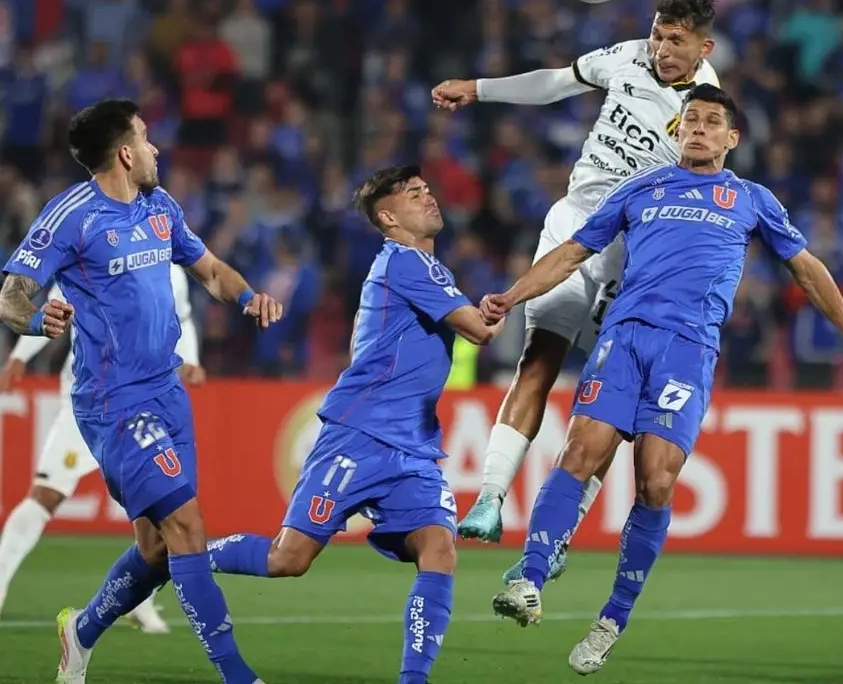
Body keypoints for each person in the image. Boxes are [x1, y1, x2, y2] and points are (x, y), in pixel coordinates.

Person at [481, 84, 843, 675]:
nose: (699, 127)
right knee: (580, 450)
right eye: (690, 119)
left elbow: (806, 268)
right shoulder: (641, 188)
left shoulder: (749, 199)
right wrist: (512, 296)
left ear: (732, 138)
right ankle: (529, 577)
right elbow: (572, 252)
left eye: (712, 121)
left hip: (688, 350)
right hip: (623, 338)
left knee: (654, 483)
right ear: (677, 131)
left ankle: (613, 617)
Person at [431, 0, 721, 582]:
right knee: (538, 357)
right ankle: (489, 497)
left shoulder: (705, 114)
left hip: (629, 254)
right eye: (659, 35)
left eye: (677, 41)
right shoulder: (626, 56)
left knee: (606, 400)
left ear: (703, 46)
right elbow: (556, 81)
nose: (663, 49)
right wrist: (478, 89)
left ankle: (558, 534)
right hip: (571, 225)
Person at [0, 99, 282, 684]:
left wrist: (249, 296)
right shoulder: (71, 216)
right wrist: (35, 322)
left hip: (167, 393)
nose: (156, 149)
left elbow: (209, 270)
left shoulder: (161, 207)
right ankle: (238, 675)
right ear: (125, 153)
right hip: (114, 400)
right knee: (187, 527)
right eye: (147, 139)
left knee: (157, 551)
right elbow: (11, 295)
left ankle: (79, 635)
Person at [204, 166, 505, 684]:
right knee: (288, 559)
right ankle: (182, 556)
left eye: (428, 189)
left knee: (438, 548)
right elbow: (479, 329)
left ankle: (414, 680)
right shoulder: (408, 263)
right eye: (414, 194)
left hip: (412, 444)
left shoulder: (423, 268)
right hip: (360, 434)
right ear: (388, 217)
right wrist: (536, 289)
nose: (429, 197)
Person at [0, 264, 204, 633]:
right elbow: (55, 308)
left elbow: (184, 317)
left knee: (156, 509)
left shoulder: (172, 271)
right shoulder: (102, 255)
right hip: (92, 401)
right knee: (46, 493)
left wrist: (192, 360)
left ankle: (139, 602)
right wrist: (20, 356)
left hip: (145, 403)